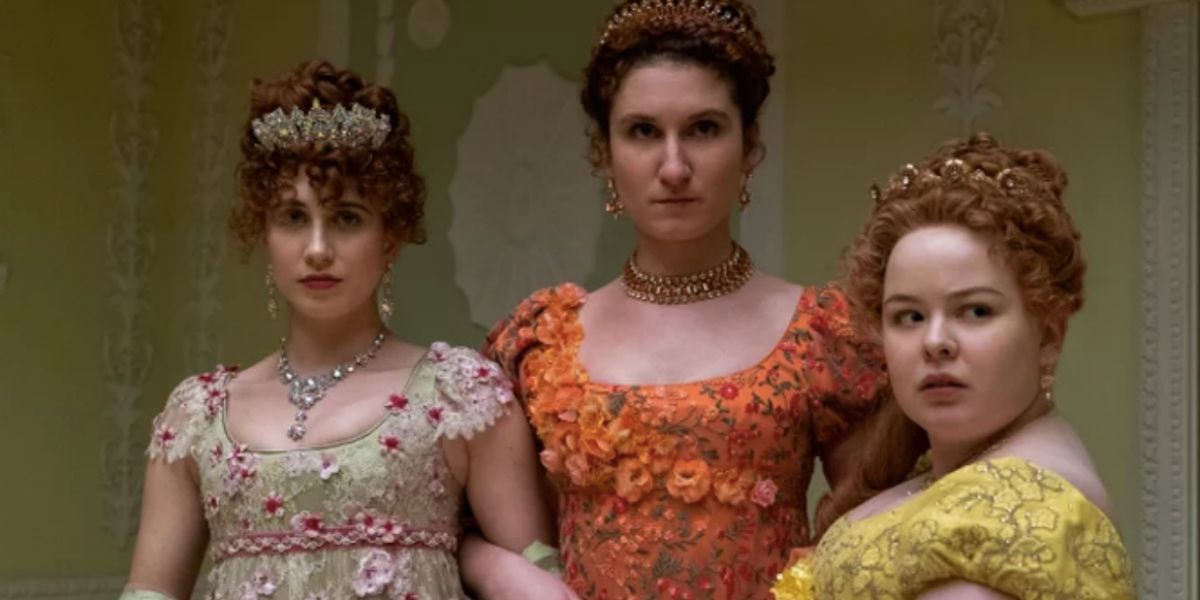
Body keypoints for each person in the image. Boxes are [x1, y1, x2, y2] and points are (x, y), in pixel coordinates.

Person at [459, 2, 906, 598]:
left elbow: (878, 542)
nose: (673, 167)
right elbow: (458, 528)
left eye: (703, 129)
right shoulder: (538, 340)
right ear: (604, 153)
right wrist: (500, 570)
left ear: (749, 146)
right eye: (643, 132)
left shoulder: (822, 334)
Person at [120, 60, 559, 599]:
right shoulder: (197, 417)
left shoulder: (461, 398)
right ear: (263, 233)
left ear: (390, 235)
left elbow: (540, 587)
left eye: (347, 217)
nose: (317, 249)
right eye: (293, 218)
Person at [772, 133, 1135, 599]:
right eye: (910, 316)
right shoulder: (949, 469)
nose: (935, 342)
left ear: (1048, 335)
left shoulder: (1017, 507)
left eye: (975, 311)